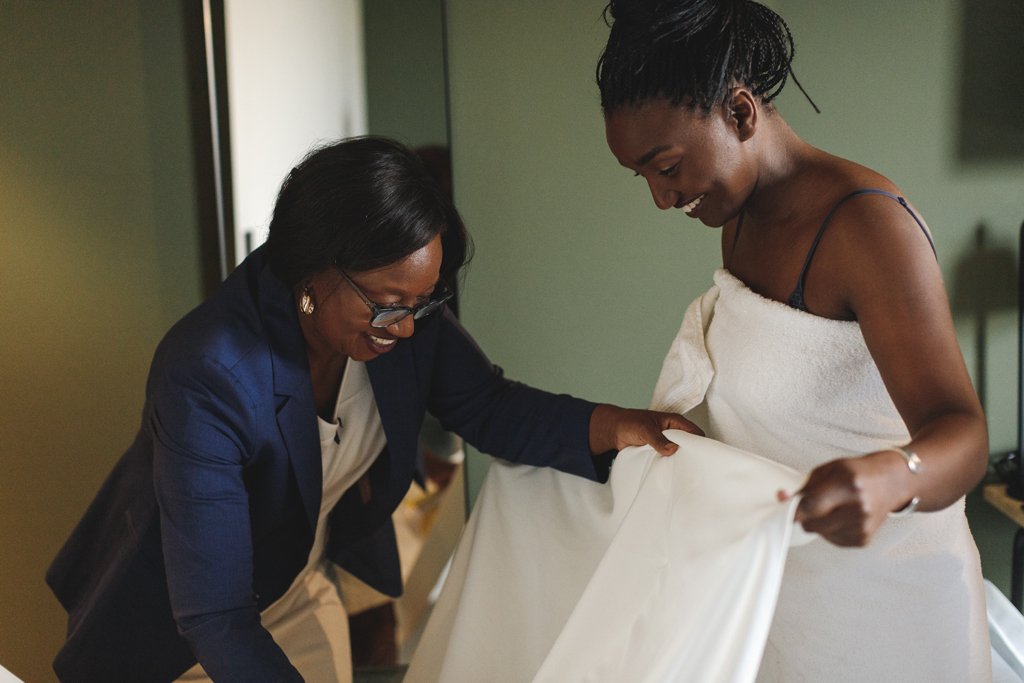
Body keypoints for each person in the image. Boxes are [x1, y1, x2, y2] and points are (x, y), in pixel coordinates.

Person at [45, 136, 699, 683]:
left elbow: (490, 405)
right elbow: (215, 615)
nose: (407, 327)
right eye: (388, 303)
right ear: (313, 274)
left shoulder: (401, 315)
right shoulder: (208, 373)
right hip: (177, 630)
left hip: (295, 585)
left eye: (422, 301)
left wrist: (616, 424)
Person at [597, 0, 990, 680]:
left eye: (667, 167)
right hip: (794, 604)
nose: (663, 199)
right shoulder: (737, 217)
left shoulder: (871, 229)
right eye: (645, 178)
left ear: (741, 113)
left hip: (890, 615)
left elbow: (964, 435)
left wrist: (897, 474)